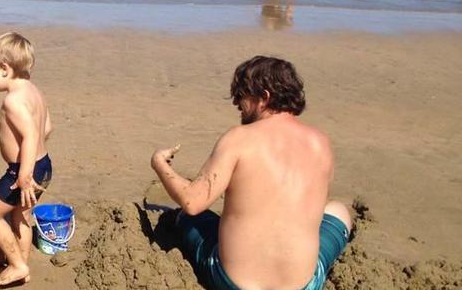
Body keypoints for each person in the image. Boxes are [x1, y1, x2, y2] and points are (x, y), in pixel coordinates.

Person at [151, 56, 352, 290]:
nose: (237, 104)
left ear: (264, 97)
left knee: (189, 217)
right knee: (338, 210)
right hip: (303, 286)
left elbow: (192, 201)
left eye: (241, 96)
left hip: (233, 283)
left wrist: (160, 164)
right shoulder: (321, 143)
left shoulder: (238, 139)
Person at [0, 32, 53, 286]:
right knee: (22, 215)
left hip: (23, 171)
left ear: (4, 68)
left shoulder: (13, 101)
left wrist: (23, 176)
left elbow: (32, 135)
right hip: (44, 164)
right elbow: (47, 127)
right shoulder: (33, 91)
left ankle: (17, 264)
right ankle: (22, 266)